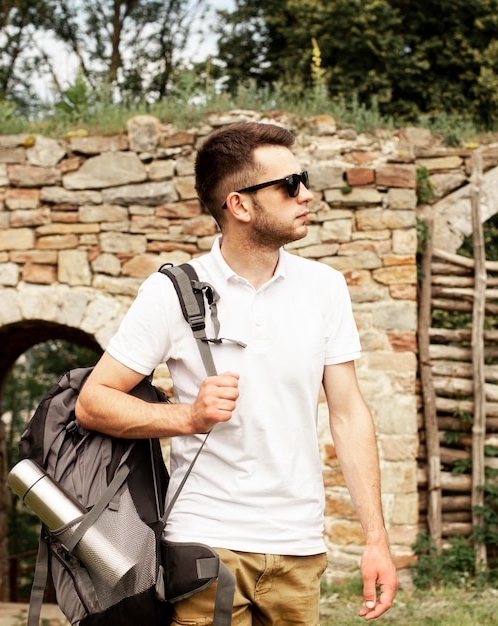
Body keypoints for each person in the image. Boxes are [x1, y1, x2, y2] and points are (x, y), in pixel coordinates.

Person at [76, 121, 398, 624]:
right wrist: (188, 417)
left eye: (304, 178)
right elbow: (93, 402)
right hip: (206, 546)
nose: (306, 194)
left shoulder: (325, 288)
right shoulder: (171, 293)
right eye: (290, 185)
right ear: (240, 205)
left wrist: (377, 541)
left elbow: (348, 414)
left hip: (299, 547)